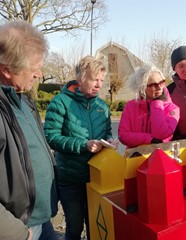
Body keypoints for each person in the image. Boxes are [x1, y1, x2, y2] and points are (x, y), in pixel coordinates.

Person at [0, 20, 58, 240]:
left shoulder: (21, 98)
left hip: (40, 222)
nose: (39, 74)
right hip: (16, 230)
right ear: (6, 70)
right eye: (34, 68)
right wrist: (14, 233)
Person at [44, 55, 114, 240]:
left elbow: (107, 133)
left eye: (101, 80)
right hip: (71, 179)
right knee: (74, 228)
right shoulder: (60, 102)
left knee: (95, 226)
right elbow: (51, 137)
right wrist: (83, 145)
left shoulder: (102, 106)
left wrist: (109, 142)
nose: (99, 84)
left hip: (97, 178)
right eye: (94, 79)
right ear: (81, 78)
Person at [118, 64, 180, 148]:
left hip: (160, 156)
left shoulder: (173, 109)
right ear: (142, 88)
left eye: (161, 82)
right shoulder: (130, 106)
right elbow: (123, 135)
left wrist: (157, 103)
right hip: (135, 157)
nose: (159, 87)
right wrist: (149, 139)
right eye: (153, 85)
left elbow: (161, 134)